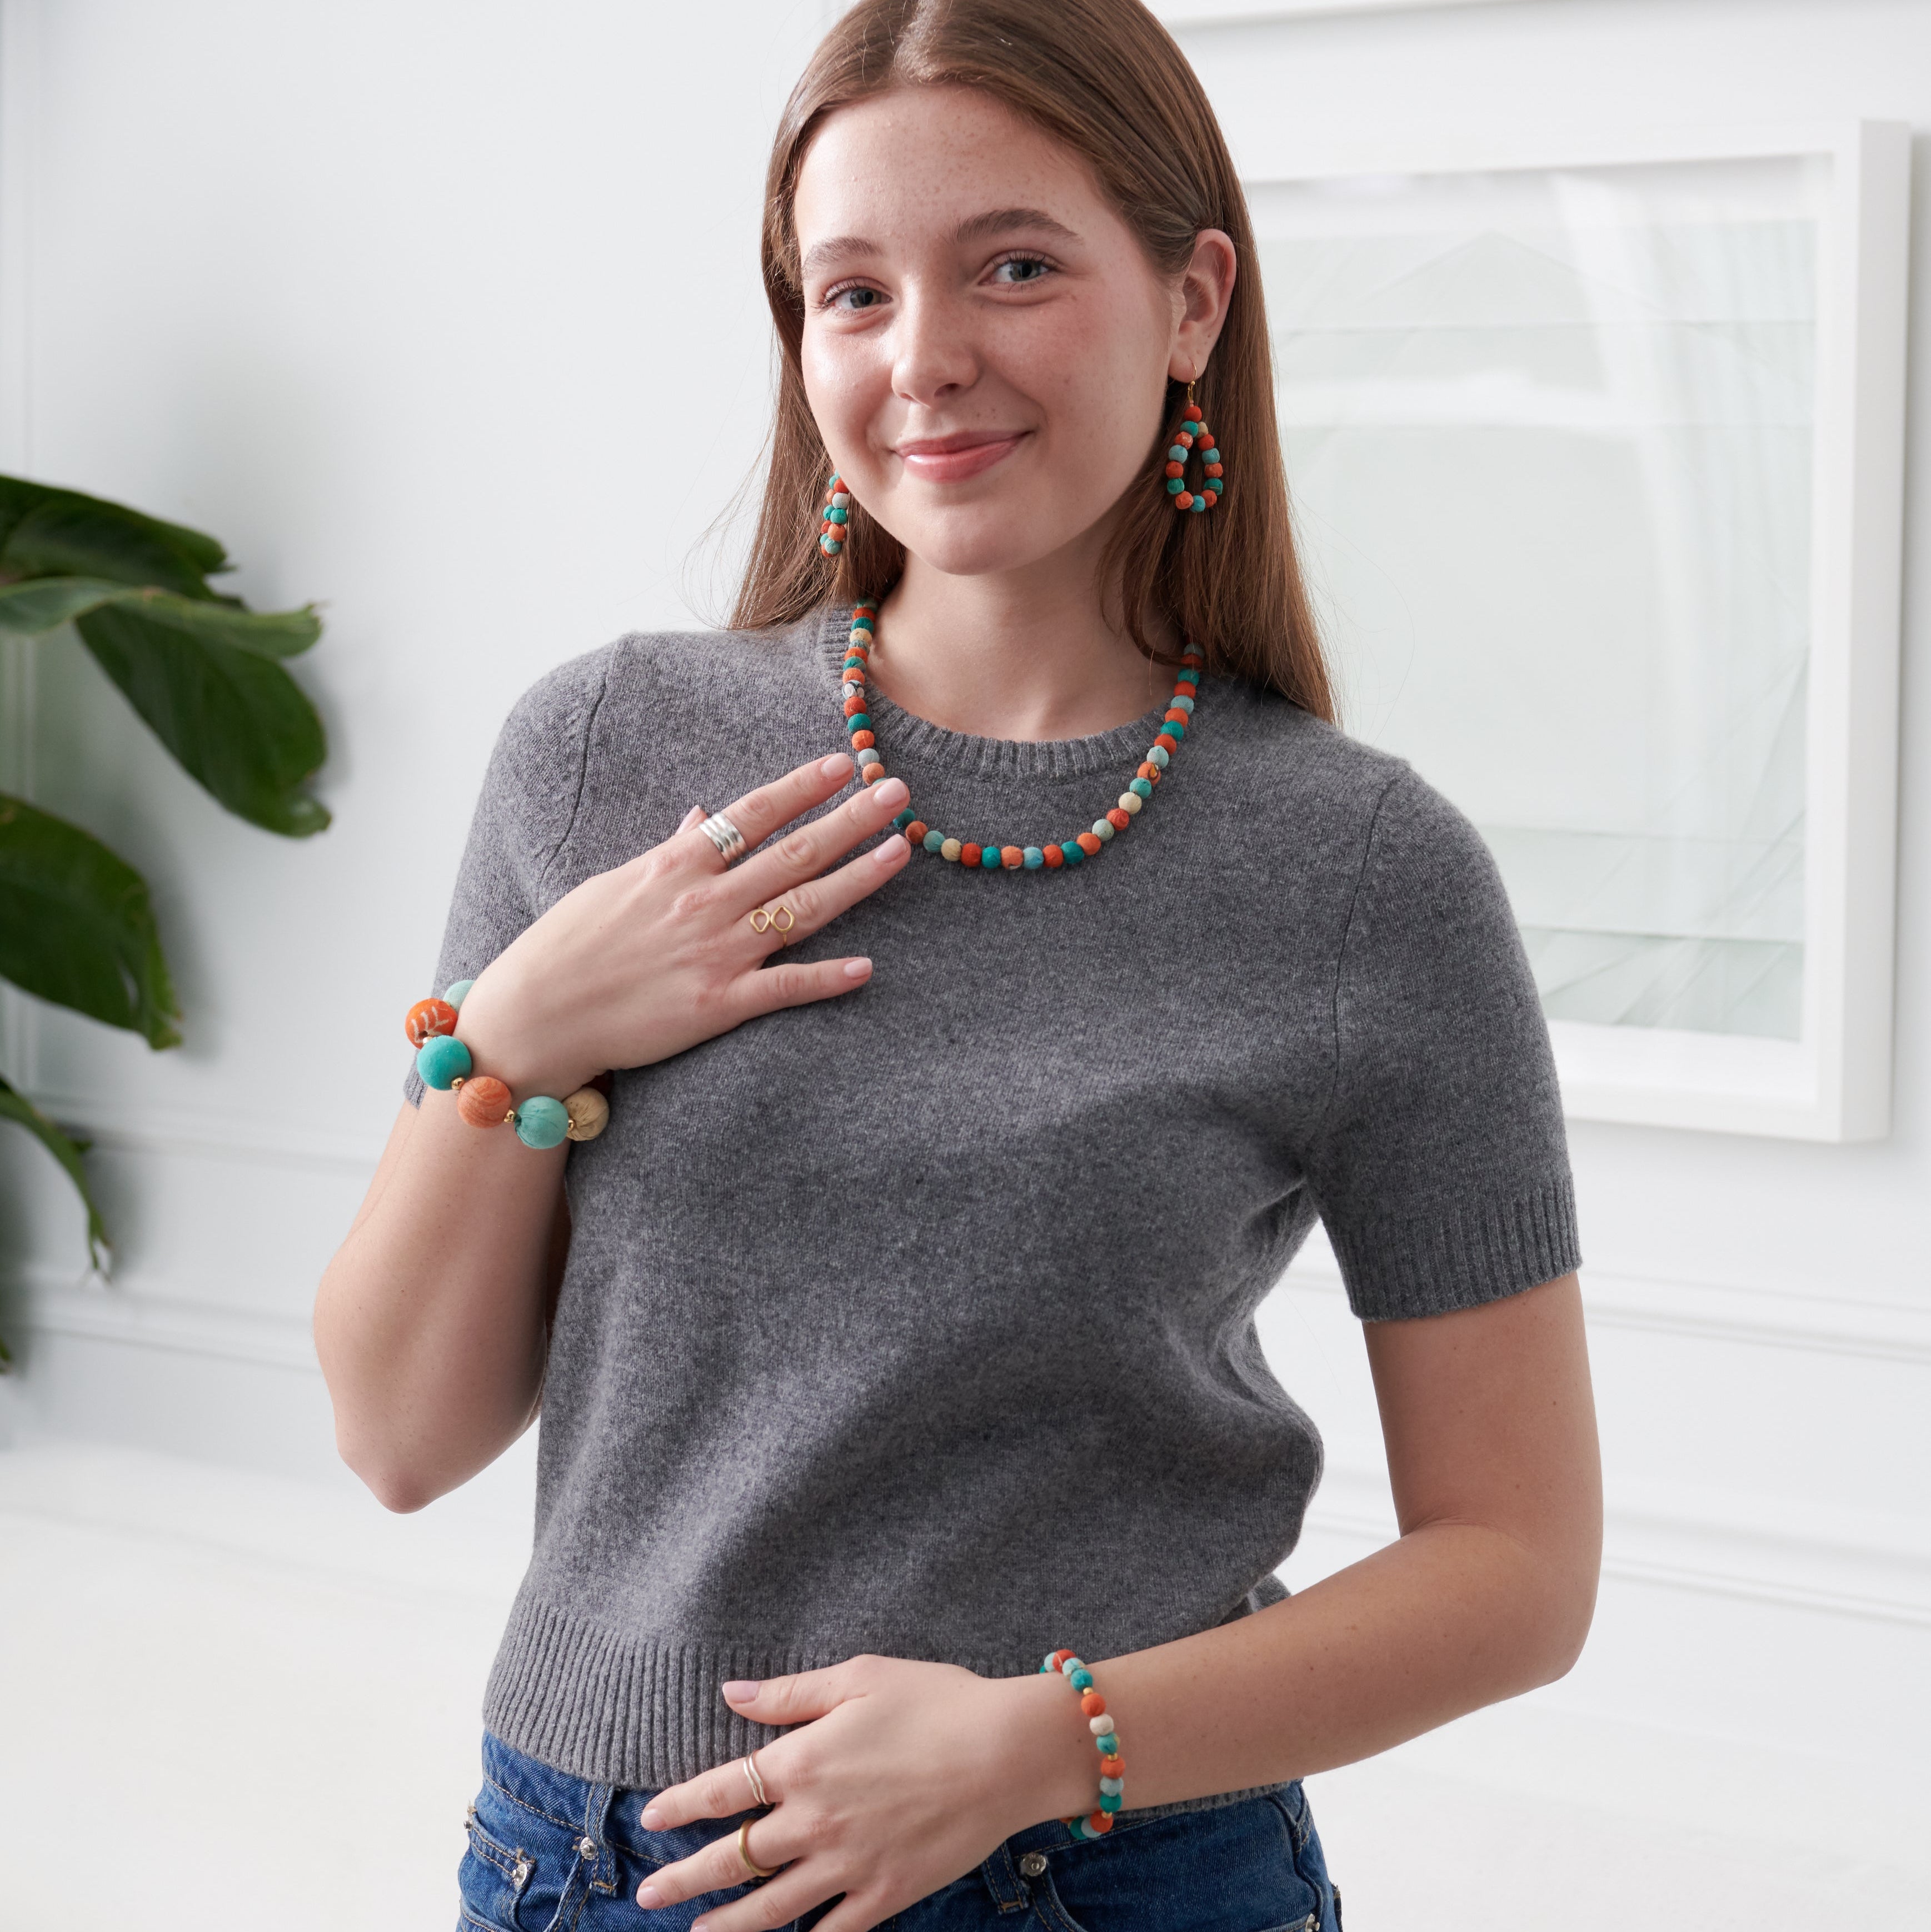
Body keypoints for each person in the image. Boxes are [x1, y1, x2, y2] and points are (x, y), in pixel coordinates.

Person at [314, 2, 1603, 1928]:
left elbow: (1516, 1564)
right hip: (602, 1866)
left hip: (1117, 1874)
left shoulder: (1360, 872)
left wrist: (1039, 1739)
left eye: (1012, 265)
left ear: (1190, 300)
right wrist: (512, 1033)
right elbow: (401, 1436)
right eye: (850, 291)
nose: (924, 359)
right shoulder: (607, 755)